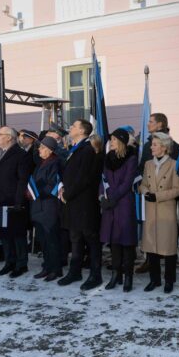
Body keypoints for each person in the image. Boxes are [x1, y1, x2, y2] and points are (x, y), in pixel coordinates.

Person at [58, 120, 104, 290]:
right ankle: (75, 271)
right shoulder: (76, 148)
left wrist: (68, 194)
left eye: (74, 126)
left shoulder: (87, 150)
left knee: (91, 240)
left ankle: (95, 275)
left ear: (83, 131)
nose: (70, 128)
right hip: (73, 203)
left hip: (84, 203)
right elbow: (70, 174)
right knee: (75, 238)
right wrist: (63, 188)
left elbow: (84, 178)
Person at [136, 113, 179, 273]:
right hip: (150, 205)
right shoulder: (149, 154)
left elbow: (177, 183)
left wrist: (159, 195)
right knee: (151, 239)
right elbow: (143, 173)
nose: (148, 124)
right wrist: (144, 189)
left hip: (166, 205)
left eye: (151, 122)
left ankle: (169, 275)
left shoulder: (174, 149)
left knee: (167, 241)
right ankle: (152, 268)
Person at [0, 127, 31, 278]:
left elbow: (22, 180)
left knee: (17, 234)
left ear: (9, 138)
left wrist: (19, 202)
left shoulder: (21, 154)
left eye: (0, 134)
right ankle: (9, 262)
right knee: (4, 235)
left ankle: (21, 264)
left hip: (12, 201)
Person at [99, 128, 138, 292]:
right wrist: (102, 196)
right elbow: (102, 179)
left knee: (127, 242)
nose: (111, 142)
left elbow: (127, 182)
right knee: (114, 241)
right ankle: (116, 275)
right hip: (109, 204)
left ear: (121, 141)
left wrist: (113, 199)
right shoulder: (108, 158)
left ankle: (128, 276)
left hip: (123, 204)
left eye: (114, 140)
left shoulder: (131, 158)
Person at [29, 136, 63, 281]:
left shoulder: (55, 163)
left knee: (52, 240)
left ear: (49, 150)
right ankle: (47, 267)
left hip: (49, 207)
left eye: (42, 148)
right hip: (39, 206)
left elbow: (53, 186)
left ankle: (56, 269)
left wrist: (37, 191)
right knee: (43, 240)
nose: (39, 150)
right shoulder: (41, 163)